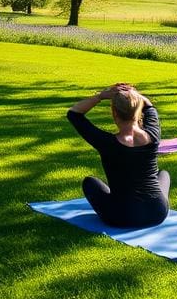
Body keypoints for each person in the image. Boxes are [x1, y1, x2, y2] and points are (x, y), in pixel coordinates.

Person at [67, 83, 170, 228]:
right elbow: (150, 107)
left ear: (114, 113)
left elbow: (74, 114)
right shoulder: (153, 134)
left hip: (122, 217)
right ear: (138, 109)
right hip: (158, 213)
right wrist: (133, 94)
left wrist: (101, 96)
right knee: (164, 174)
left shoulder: (106, 142)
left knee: (89, 183)